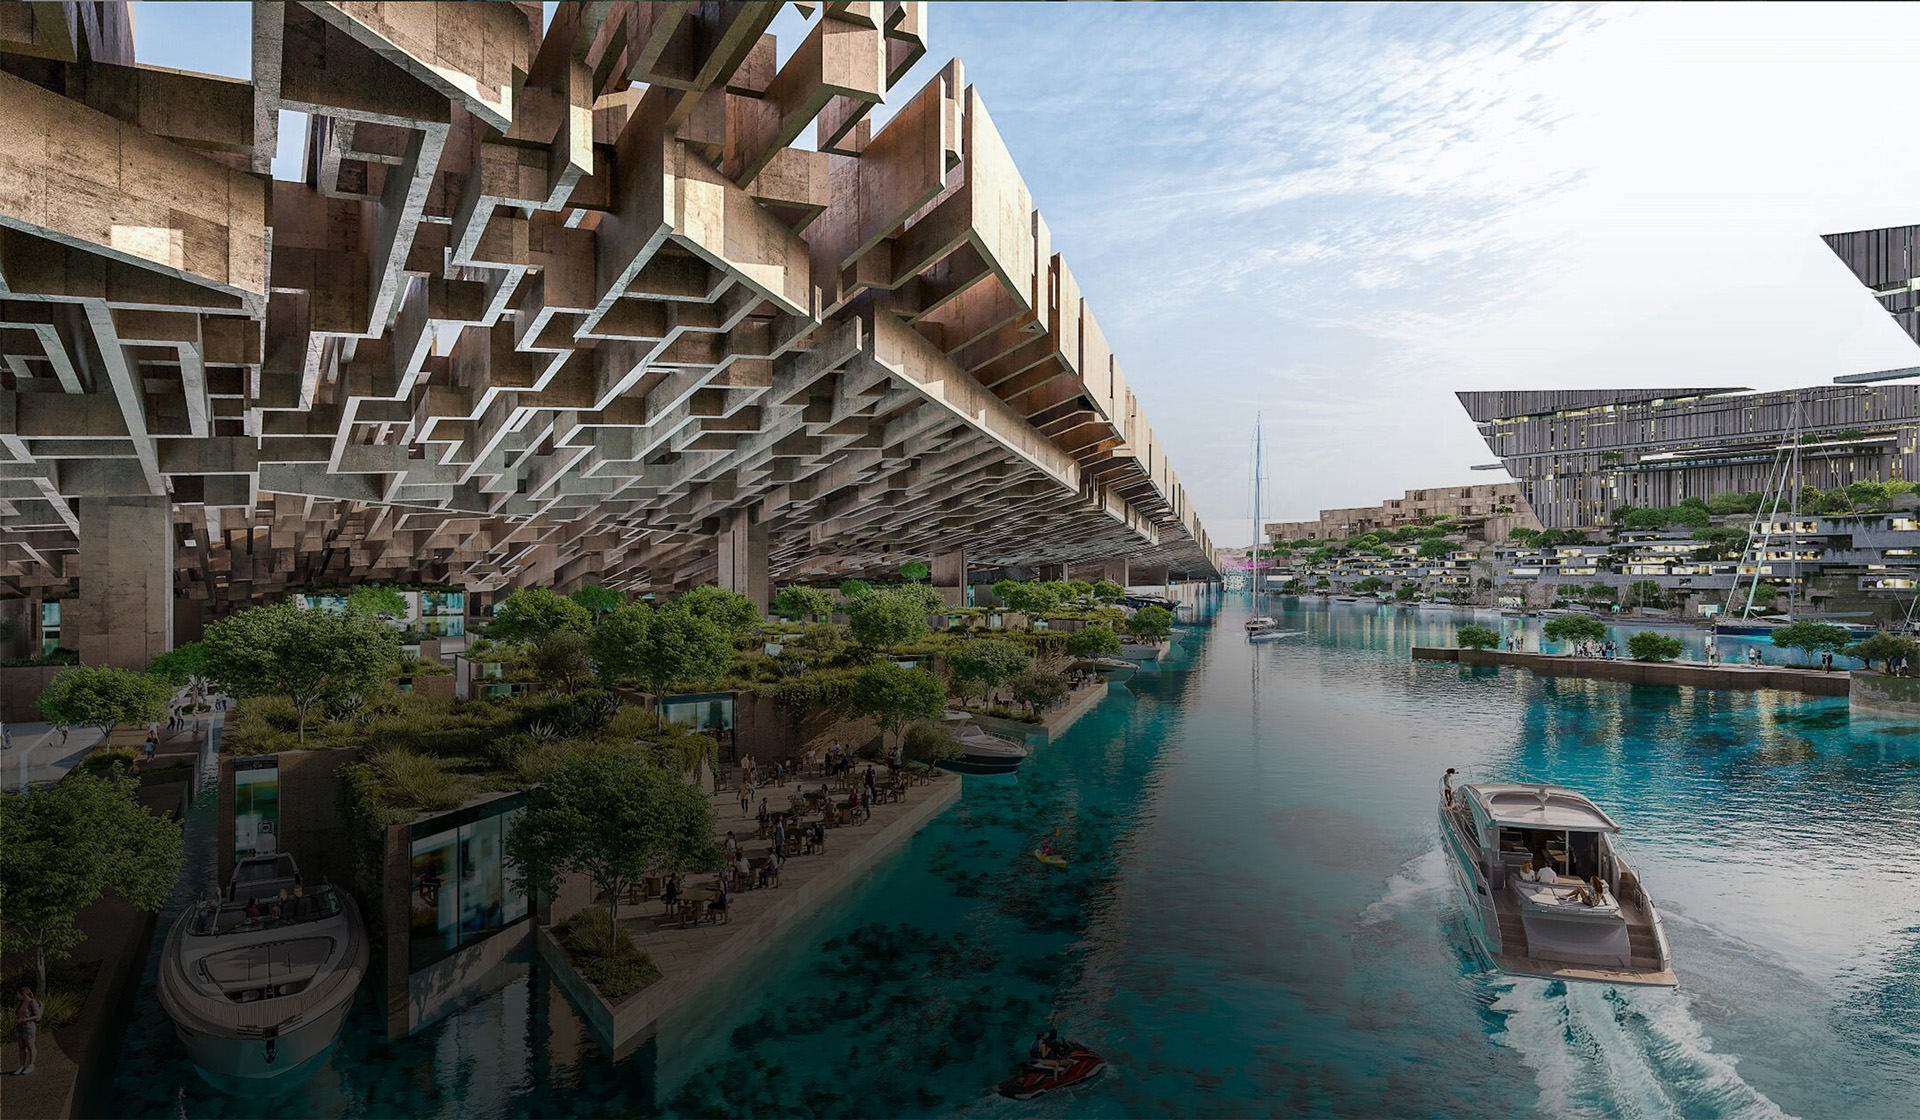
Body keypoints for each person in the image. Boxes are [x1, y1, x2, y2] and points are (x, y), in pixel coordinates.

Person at [12, 985, 42, 1076]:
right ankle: (22, 1065)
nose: (17, 996)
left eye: (18, 994)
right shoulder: (21, 1003)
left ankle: (31, 1065)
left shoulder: (32, 1002)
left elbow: (37, 1016)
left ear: (23, 994)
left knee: (30, 1045)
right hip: (20, 1027)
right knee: (21, 1046)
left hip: (28, 1027)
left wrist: (23, 1020)